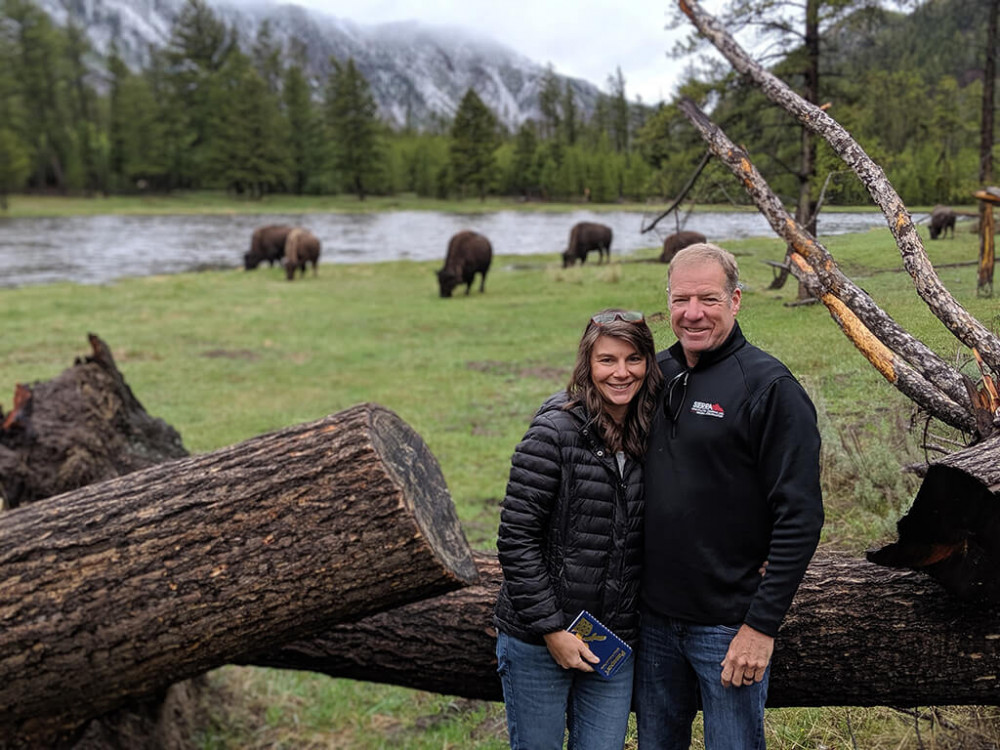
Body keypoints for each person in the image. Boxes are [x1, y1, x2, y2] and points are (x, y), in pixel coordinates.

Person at [635, 243, 825, 749]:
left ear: (736, 300)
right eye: (681, 300)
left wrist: (760, 627)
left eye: (708, 299)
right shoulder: (655, 376)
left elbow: (801, 515)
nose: (692, 313)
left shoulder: (769, 388)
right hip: (653, 620)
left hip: (727, 627)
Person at [494, 308, 664, 750]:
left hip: (612, 639)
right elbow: (516, 538)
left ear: (649, 363)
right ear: (588, 365)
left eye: (633, 359)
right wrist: (553, 631)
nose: (621, 373)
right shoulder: (554, 432)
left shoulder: (652, 434)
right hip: (539, 640)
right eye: (607, 360)